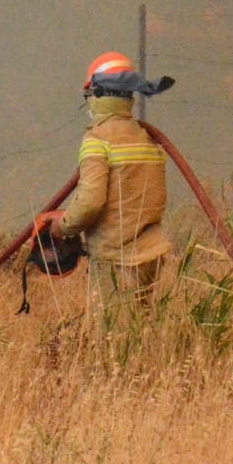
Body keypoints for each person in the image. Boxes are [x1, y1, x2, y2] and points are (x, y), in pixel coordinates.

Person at [49, 51, 175, 330]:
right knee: (141, 330)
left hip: (115, 258)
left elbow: (91, 202)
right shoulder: (144, 137)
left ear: (97, 94)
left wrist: (64, 225)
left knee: (114, 339)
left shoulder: (97, 140)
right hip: (151, 254)